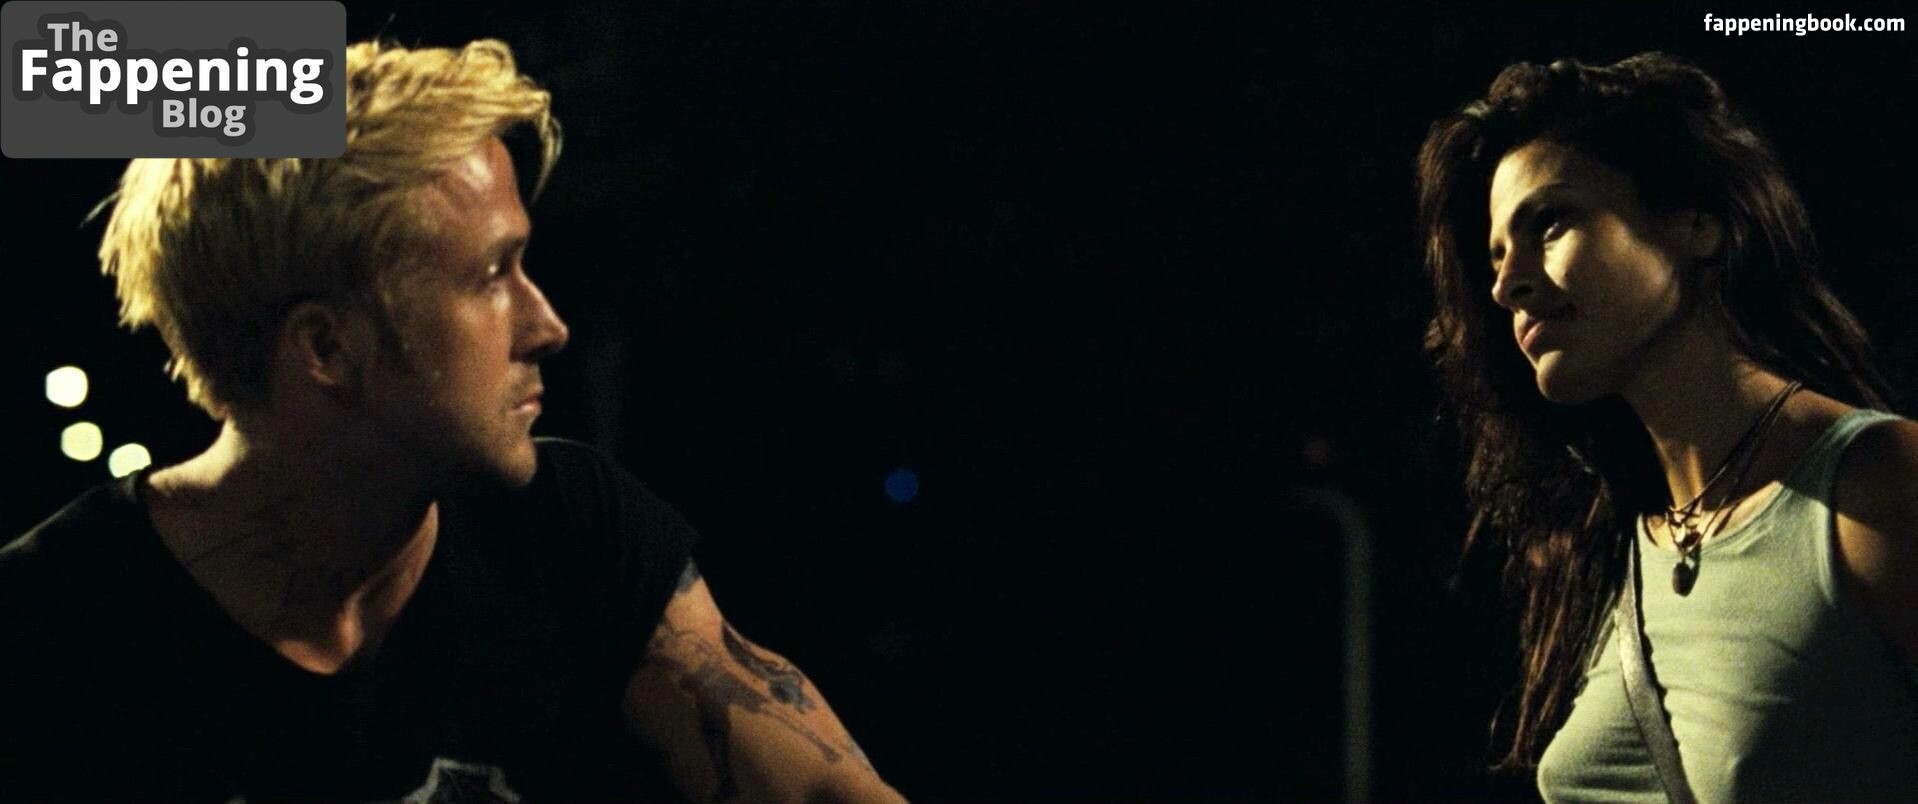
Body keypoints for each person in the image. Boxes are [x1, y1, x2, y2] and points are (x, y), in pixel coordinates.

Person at [0, 39, 905, 802]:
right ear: (326, 347)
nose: (547, 325)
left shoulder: (571, 531)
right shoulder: (46, 639)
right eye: (490, 275)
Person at [1416, 52, 1918, 801]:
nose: (1506, 284)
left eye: (1549, 222)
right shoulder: (1616, 546)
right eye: (1495, 256)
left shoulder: (1877, 485)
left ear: (1696, 225)